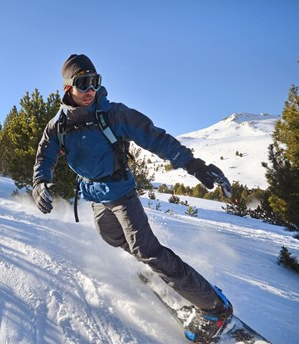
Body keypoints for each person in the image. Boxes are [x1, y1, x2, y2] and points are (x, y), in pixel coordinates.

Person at [32, 54, 234, 342]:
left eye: (95, 82)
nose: (90, 90)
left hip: (121, 191)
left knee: (146, 249)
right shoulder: (58, 126)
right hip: (95, 194)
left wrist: (194, 165)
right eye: (83, 83)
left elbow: (155, 137)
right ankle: (161, 269)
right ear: (68, 88)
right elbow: (45, 154)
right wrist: (40, 181)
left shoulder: (113, 114)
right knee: (110, 235)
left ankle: (214, 307)